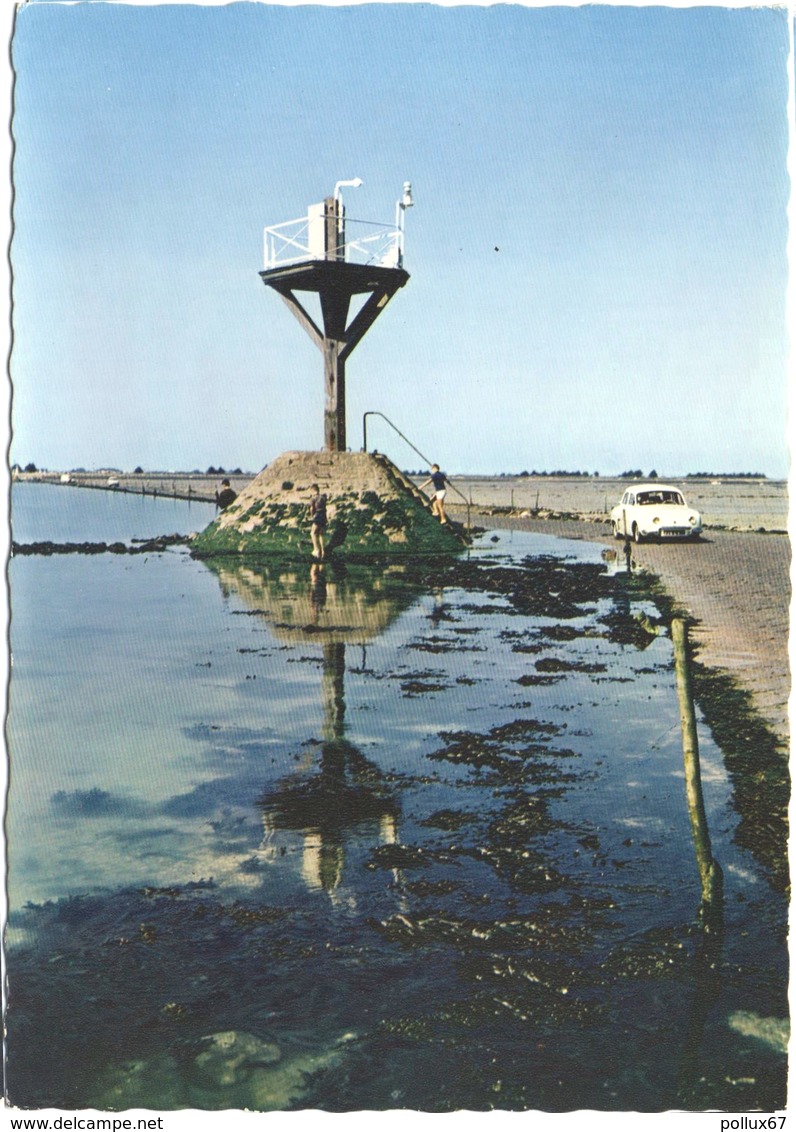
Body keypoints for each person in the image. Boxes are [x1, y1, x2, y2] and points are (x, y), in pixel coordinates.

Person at [307, 483, 328, 560]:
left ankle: (316, 550)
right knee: (321, 534)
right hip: (324, 515)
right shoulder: (323, 497)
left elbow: (312, 508)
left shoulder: (313, 498)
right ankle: (323, 551)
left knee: (313, 533)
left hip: (318, 515)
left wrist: (312, 515)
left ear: (312, 490)